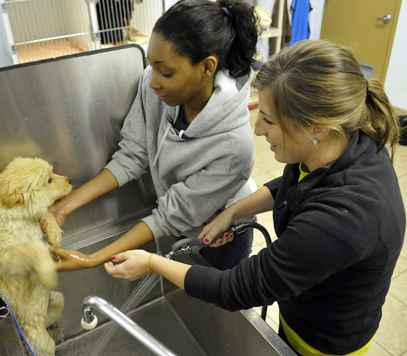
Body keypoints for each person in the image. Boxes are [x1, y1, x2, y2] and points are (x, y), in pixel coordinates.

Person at [104, 39, 406, 356]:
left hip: (323, 341)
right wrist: (232, 212)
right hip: (303, 302)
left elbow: (237, 289)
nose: (258, 130)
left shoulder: (344, 217)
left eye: (270, 120)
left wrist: (151, 262)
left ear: (318, 128)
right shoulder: (339, 143)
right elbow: (293, 183)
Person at [45, 0, 260, 271]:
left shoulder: (233, 148)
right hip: (181, 224)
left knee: (218, 304)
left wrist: (91, 259)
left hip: (221, 238)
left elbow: (168, 217)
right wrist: (64, 206)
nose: (152, 81)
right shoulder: (160, 90)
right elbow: (133, 155)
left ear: (207, 67)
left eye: (166, 72)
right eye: (152, 65)